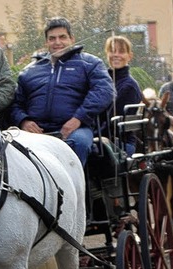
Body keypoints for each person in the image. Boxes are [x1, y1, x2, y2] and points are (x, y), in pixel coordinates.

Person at [10, 17, 114, 166]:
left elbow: (104, 91)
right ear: (46, 42)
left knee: (79, 143)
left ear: (72, 39)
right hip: (35, 132)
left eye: (62, 37)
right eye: (52, 38)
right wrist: (24, 121)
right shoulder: (29, 71)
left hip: (76, 128)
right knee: (10, 147)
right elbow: (15, 103)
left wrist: (78, 118)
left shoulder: (90, 63)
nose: (57, 42)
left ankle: (74, 189)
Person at [103, 35, 143, 157]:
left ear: (129, 56)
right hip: (102, 137)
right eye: (112, 51)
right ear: (107, 54)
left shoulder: (129, 86)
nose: (116, 55)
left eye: (121, 52)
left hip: (120, 143)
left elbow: (112, 122)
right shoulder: (102, 80)